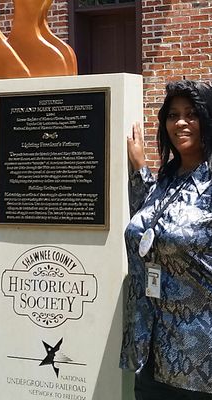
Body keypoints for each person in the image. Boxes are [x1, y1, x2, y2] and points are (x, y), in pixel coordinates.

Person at [120, 80, 212, 399]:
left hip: (198, 359)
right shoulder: (167, 179)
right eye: (173, 115)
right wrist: (140, 169)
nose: (181, 122)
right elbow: (149, 229)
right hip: (150, 349)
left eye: (191, 114)